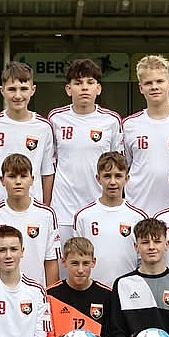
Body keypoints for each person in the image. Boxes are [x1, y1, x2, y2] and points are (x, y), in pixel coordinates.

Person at [48, 58, 123, 246]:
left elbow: (118, 167)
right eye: (78, 83)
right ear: (68, 89)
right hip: (63, 209)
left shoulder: (111, 121)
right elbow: (48, 165)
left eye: (90, 83)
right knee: (65, 261)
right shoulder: (56, 119)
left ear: (98, 88)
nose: (84, 88)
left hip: (99, 207)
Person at [122, 55, 169, 215]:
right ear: (141, 88)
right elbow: (123, 169)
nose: (154, 87)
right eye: (148, 83)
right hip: (138, 210)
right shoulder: (128, 125)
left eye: (159, 81)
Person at [0, 153, 60, 288]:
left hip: (35, 293)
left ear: (32, 179)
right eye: (12, 176)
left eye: (23, 176)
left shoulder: (46, 215)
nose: (18, 182)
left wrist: (50, 296)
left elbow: (50, 261)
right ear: (2, 180)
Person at [0, 62, 56, 206]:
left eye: (23, 89)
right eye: (12, 89)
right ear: (2, 90)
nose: (18, 95)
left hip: (32, 205)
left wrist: (45, 206)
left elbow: (47, 172)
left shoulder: (44, 127)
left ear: (33, 90)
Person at [73, 152, 148, 287]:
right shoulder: (84, 216)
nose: (113, 182)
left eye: (118, 176)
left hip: (128, 290)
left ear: (127, 178)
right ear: (98, 178)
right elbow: (78, 259)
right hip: (93, 291)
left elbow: (143, 261)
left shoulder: (138, 217)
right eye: (107, 176)